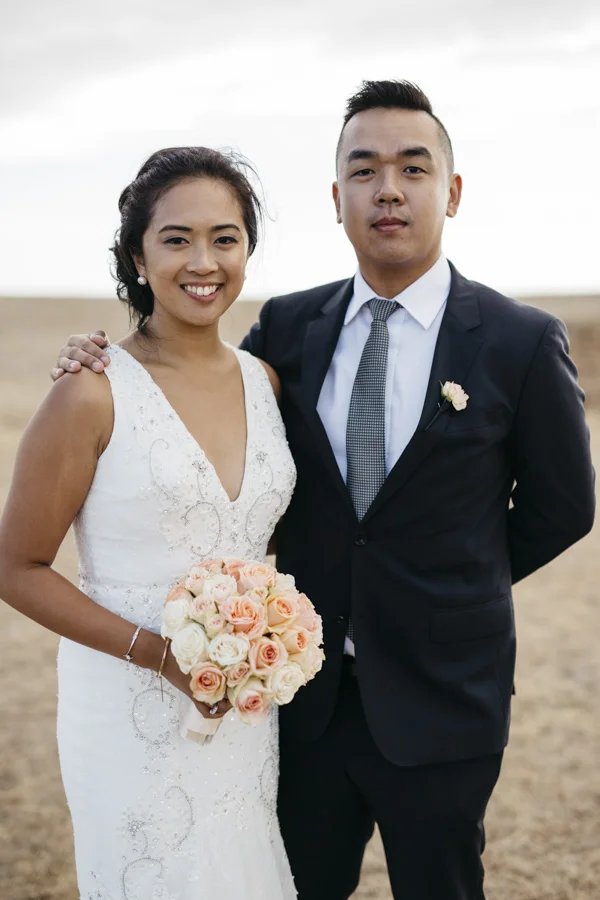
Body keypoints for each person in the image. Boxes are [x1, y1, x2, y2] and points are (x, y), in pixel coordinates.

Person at [49, 80, 595, 900]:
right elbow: (199, 397)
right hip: (296, 704)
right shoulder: (288, 330)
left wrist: (450, 583)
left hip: (444, 698)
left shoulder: (519, 340)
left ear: (451, 191)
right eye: (364, 170)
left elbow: (564, 508)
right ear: (337, 198)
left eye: (413, 169)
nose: (388, 190)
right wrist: (93, 357)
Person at [0, 147, 298, 899]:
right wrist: (160, 655)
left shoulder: (264, 382)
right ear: (138, 257)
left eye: (225, 238)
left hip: (242, 708)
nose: (204, 261)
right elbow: (15, 567)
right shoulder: (91, 392)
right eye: (176, 239)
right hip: (127, 710)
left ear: (248, 250)